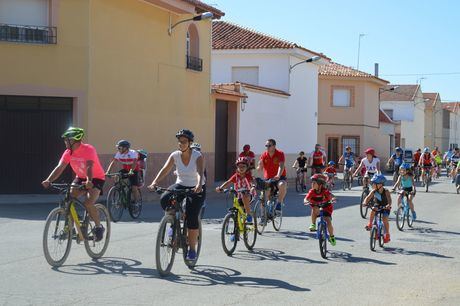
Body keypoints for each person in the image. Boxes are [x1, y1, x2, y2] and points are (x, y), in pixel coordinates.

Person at [148, 129, 205, 261]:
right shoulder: (175, 155)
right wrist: (154, 182)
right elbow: (165, 169)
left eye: (184, 142)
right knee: (165, 198)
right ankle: (173, 223)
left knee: (191, 215)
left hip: (196, 187)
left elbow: (199, 172)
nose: (181, 144)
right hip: (181, 184)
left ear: (190, 143)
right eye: (179, 142)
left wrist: (198, 185)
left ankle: (192, 249)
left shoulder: (198, 156)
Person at [41, 127, 106, 241]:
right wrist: (48, 180)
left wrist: (89, 181)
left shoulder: (88, 149)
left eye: (67, 140)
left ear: (76, 140)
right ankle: (70, 227)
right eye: (65, 140)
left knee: (88, 203)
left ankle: (99, 227)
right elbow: (60, 167)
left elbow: (89, 166)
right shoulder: (68, 152)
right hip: (80, 177)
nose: (65, 142)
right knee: (69, 199)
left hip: (96, 178)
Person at [216, 157, 255, 223]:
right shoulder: (236, 176)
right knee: (238, 212)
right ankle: (237, 230)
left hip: (248, 195)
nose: (241, 168)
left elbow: (253, 182)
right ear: (237, 167)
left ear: (247, 167)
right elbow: (228, 182)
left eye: (243, 166)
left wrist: (253, 187)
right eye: (239, 167)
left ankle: (248, 214)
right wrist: (220, 188)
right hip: (238, 196)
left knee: (244, 196)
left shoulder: (248, 176)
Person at [106, 140, 141, 205]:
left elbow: (134, 163)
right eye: (118, 148)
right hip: (125, 169)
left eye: (120, 148)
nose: (118, 149)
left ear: (125, 148)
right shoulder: (119, 154)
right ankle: (119, 189)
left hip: (134, 170)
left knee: (134, 187)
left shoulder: (133, 153)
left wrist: (131, 171)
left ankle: (136, 201)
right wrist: (108, 171)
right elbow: (113, 162)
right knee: (117, 176)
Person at [304, 174, 336, 246]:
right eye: (312, 182)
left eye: (314, 183)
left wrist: (333, 199)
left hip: (326, 208)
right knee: (314, 208)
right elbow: (306, 198)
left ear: (320, 184)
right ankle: (313, 224)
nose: (312, 184)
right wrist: (305, 201)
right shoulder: (312, 191)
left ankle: (332, 237)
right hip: (317, 208)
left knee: (328, 222)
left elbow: (331, 196)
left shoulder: (325, 191)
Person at [257, 139, 287, 212]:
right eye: (266, 145)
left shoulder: (280, 153)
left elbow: (281, 166)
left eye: (269, 145)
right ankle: (263, 215)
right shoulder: (264, 155)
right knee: (263, 196)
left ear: (274, 146)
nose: (267, 147)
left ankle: (279, 203)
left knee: (282, 184)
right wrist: (259, 166)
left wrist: (278, 175)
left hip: (279, 177)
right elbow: (260, 168)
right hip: (268, 178)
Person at [362, 174, 392, 243]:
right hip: (377, 205)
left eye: (374, 183)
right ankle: (370, 224)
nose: (372, 185)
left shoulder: (386, 191)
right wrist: (364, 202)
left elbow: (389, 199)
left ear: (380, 184)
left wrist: (388, 205)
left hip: (385, 207)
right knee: (374, 208)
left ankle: (387, 234)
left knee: (385, 219)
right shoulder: (373, 191)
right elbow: (368, 197)